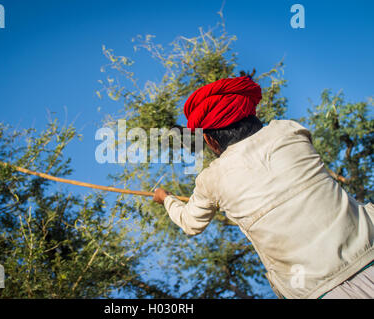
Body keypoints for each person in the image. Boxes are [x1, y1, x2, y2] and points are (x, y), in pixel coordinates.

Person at [152, 76, 374, 299]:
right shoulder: (290, 131)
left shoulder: (211, 179)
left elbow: (190, 224)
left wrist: (166, 199)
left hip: (319, 292)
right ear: (252, 114)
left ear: (210, 141)